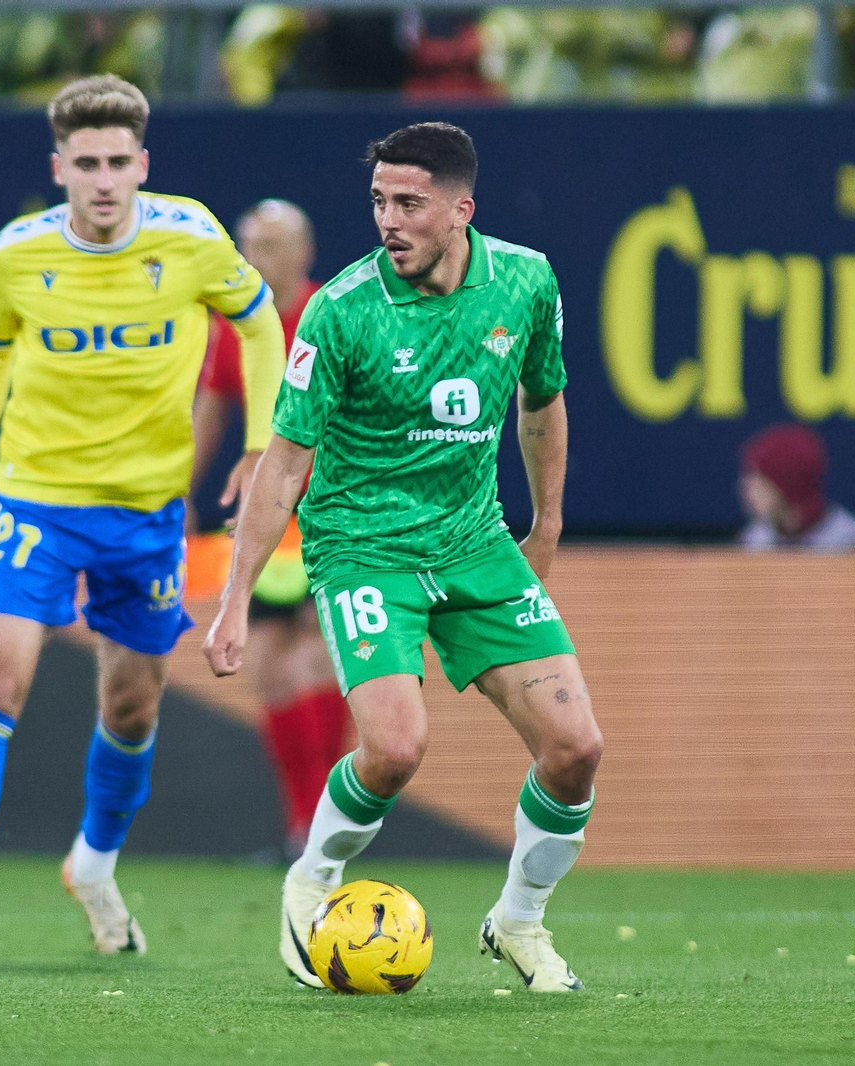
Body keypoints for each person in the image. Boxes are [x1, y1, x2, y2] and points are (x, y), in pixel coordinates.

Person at [204, 122, 603, 993]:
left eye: (410, 203)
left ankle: (519, 922)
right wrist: (235, 597)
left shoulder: (526, 282)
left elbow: (543, 401)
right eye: (380, 200)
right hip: (363, 547)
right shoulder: (342, 309)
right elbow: (285, 463)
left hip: (474, 542)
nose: (389, 219)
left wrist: (547, 525)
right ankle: (311, 880)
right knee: (393, 749)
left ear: (462, 210)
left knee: (575, 749)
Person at [0, 74, 287, 958]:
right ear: (59, 170)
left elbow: (261, 321)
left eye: (119, 162)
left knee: (132, 707)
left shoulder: (190, 237)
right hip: (35, 497)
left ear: (143, 164)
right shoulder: (17, 255)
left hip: (145, 509)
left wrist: (260, 443)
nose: (105, 180)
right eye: (86, 164)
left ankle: (93, 863)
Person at [191, 199, 348, 857]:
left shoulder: (331, 313)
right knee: (269, 668)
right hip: (267, 519)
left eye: (274, 244)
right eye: (251, 244)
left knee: (317, 655)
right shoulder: (232, 326)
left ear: (304, 252)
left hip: (331, 515)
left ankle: (331, 826)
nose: (259, 257)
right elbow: (210, 410)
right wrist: (181, 494)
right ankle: (302, 827)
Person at [738, 424, 855, 550]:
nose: (746, 486)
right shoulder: (755, 539)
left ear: (787, 484)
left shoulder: (851, 543)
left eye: (759, 478)